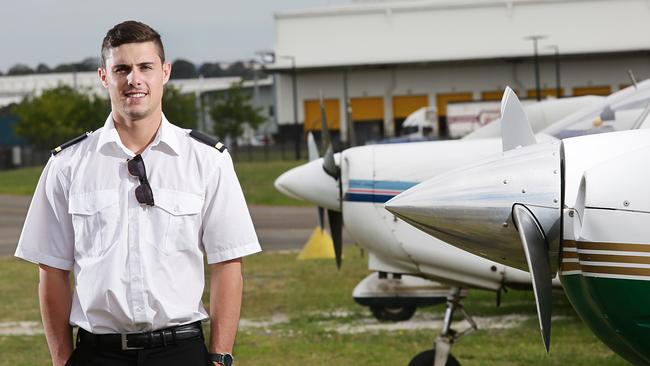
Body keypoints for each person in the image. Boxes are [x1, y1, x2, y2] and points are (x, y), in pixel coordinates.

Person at [14, 20, 261, 366]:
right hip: (97, 353)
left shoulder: (207, 160)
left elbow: (227, 261)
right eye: (122, 69)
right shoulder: (67, 165)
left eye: (145, 67)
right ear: (104, 76)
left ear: (165, 72)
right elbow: (52, 269)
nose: (134, 79)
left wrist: (220, 356)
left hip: (181, 351)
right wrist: (62, 361)